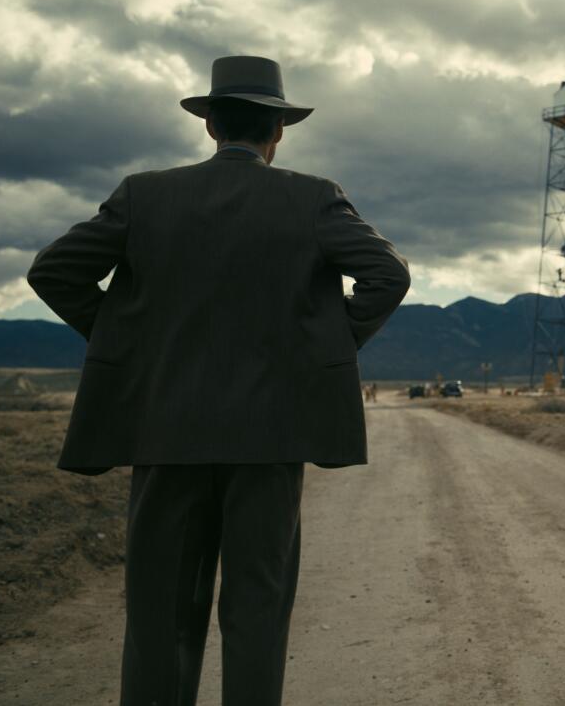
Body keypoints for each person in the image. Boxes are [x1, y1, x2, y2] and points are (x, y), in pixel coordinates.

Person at [26, 55, 411, 705]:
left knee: (159, 624)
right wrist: (317, 349)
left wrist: (131, 343)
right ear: (278, 131)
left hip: (164, 435)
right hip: (269, 444)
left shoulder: (142, 196)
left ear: (210, 125)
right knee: (257, 618)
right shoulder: (312, 197)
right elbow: (387, 274)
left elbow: (52, 270)